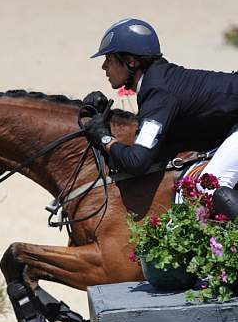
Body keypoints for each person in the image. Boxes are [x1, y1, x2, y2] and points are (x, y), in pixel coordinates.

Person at [84, 18, 238, 218]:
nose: (104, 66)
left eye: (109, 59)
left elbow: (136, 162)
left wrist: (103, 137)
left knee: (208, 184)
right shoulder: (158, 81)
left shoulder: (158, 91)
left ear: (131, 61)